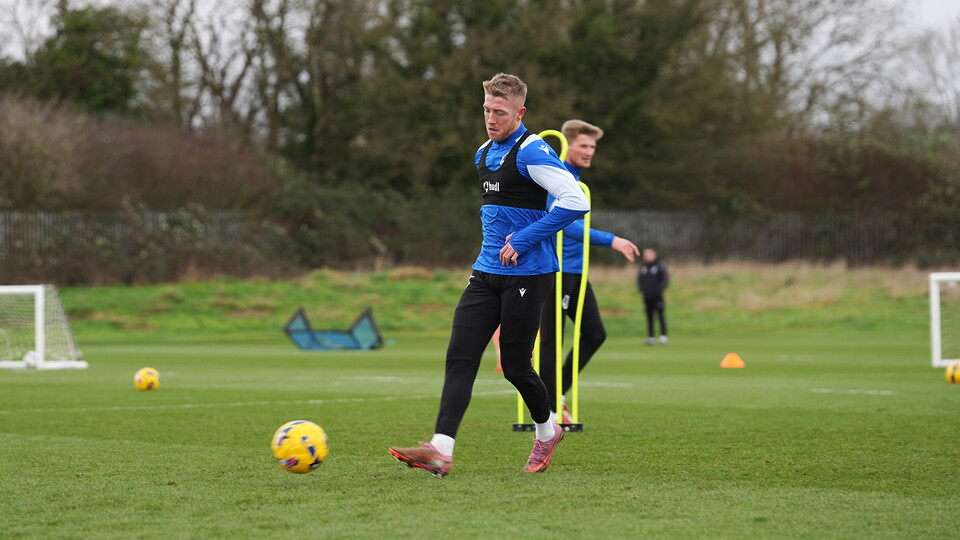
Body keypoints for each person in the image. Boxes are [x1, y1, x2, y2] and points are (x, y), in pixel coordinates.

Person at [388, 73, 590, 477]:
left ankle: (547, 432)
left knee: (516, 367)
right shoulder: (482, 153)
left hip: (529, 276)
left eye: (500, 112)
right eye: (486, 110)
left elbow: (574, 200)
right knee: (460, 354)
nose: (491, 118)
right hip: (485, 273)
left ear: (520, 112)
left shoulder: (533, 151)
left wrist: (527, 238)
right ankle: (441, 449)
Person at [538, 119, 640, 425]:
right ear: (568, 145)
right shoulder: (558, 175)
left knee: (594, 334)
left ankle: (557, 396)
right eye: (583, 145)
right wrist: (612, 240)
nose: (589, 151)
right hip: (554, 270)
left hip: (576, 272)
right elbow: (563, 223)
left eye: (593, 146)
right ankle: (548, 411)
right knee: (551, 341)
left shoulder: (577, 178)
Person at [637, 248, 669, 345]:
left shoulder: (660, 266)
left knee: (660, 315)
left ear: (654, 255)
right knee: (649, 316)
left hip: (658, 296)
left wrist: (658, 290)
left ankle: (663, 336)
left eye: (649, 254)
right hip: (647, 296)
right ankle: (651, 337)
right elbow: (639, 280)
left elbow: (665, 280)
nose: (647, 256)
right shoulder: (643, 267)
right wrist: (642, 289)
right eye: (645, 254)